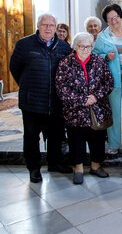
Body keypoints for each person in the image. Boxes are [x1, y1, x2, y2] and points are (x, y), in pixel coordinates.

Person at [10, 13, 72, 183]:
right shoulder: (24, 44)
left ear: (56, 27)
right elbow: (15, 68)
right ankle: (34, 168)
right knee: (31, 137)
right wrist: (28, 86)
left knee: (56, 135)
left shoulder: (64, 47)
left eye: (51, 25)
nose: (48, 28)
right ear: (38, 26)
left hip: (56, 100)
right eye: (44, 25)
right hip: (32, 101)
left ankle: (55, 163)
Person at [55, 32, 114, 185]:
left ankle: (95, 166)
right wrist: (82, 100)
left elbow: (108, 82)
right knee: (76, 141)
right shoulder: (65, 63)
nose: (85, 49)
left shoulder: (98, 61)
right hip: (74, 111)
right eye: (81, 46)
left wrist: (95, 97)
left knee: (97, 139)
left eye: (88, 46)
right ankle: (79, 169)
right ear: (75, 47)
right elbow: (61, 88)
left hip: (97, 109)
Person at [93, 4, 122, 154]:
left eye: (116, 17)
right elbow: (94, 56)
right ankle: (114, 144)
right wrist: (106, 57)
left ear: (120, 17)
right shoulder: (103, 36)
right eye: (109, 19)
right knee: (114, 113)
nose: (113, 21)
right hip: (112, 82)